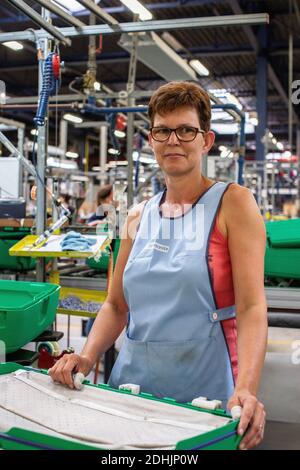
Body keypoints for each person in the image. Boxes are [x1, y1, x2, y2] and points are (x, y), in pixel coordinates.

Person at [49, 81, 267, 450]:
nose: (173, 141)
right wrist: (86, 356)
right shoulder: (134, 215)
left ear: (206, 140)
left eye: (186, 130)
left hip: (207, 395)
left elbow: (250, 307)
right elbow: (116, 305)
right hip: (131, 391)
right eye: (163, 131)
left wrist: (246, 386)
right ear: (150, 139)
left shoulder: (235, 204)